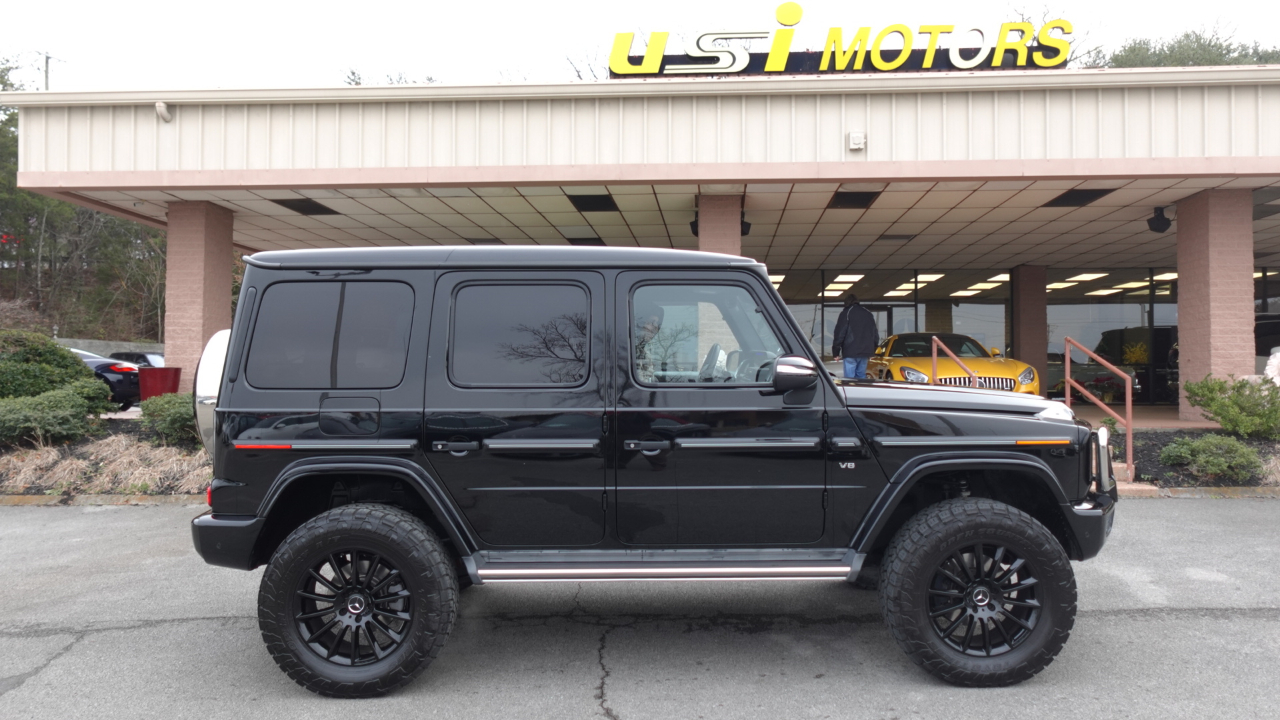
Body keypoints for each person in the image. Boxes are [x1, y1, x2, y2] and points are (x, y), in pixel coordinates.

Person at [832, 294, 878, 379]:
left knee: (849, 380)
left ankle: (851, 391)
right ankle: (861, 392)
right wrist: (873, 350)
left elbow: (840, 333)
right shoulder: (868, 313)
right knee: (861, 377)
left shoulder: (846, 313)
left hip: (850, 351)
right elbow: (874, 333)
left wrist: (836, 352)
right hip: (865, 351)